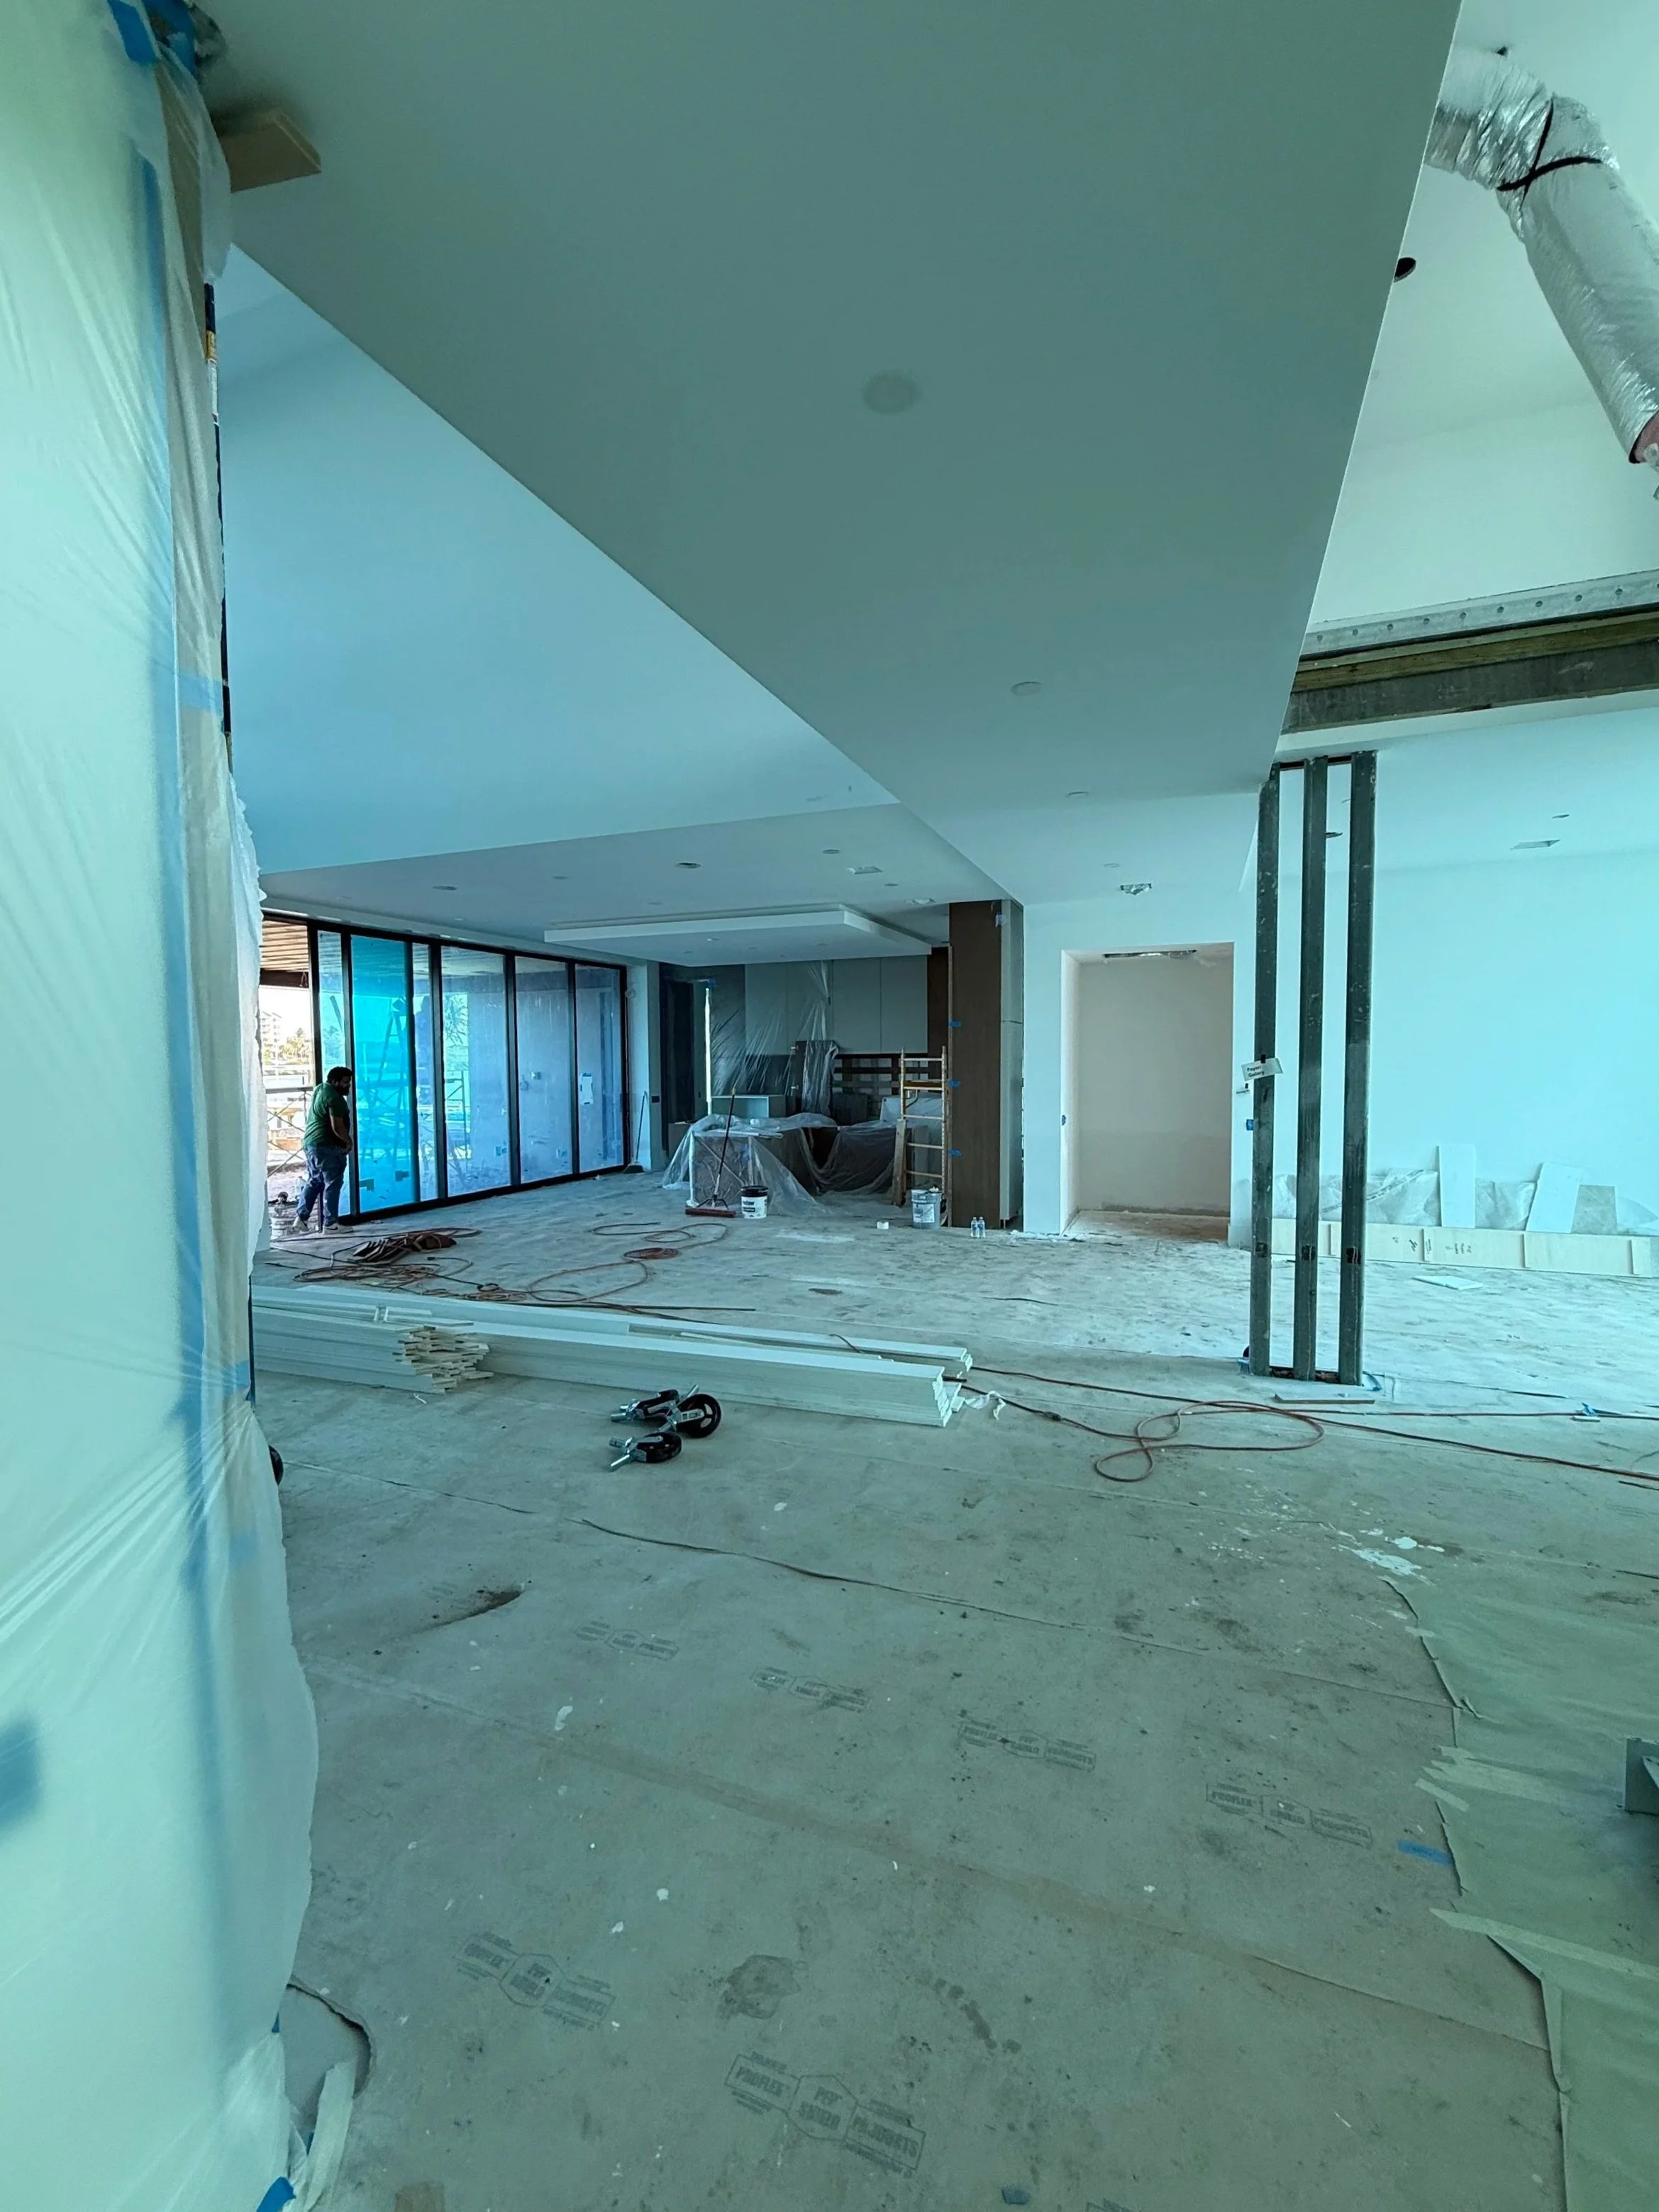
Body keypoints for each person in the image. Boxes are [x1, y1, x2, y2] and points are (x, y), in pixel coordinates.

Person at [296, 1065, 353, 1230]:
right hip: (326, 1146)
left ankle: (301, 1217)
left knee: (315, 1180)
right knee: (333, 1182)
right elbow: (338, 1127)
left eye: (349, 1082)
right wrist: (348, 1142)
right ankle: (330, 1224)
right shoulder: (335, 1099)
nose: (348, 1086)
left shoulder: (321, 1088)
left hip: (311, 1144)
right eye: (345, 1082)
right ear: (334, 1082)